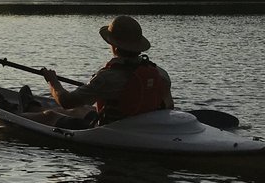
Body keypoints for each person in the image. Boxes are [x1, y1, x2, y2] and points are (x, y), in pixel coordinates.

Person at [25, 14, 174, 127]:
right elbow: (169, 105)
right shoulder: (160, 74)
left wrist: (52, 81)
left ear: (114, 46)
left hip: (113, 130)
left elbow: (66, 101)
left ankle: (16, 115)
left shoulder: (107, 78)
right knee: (81, 110)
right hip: (144, 127)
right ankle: (33, 107)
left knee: (50, 116)